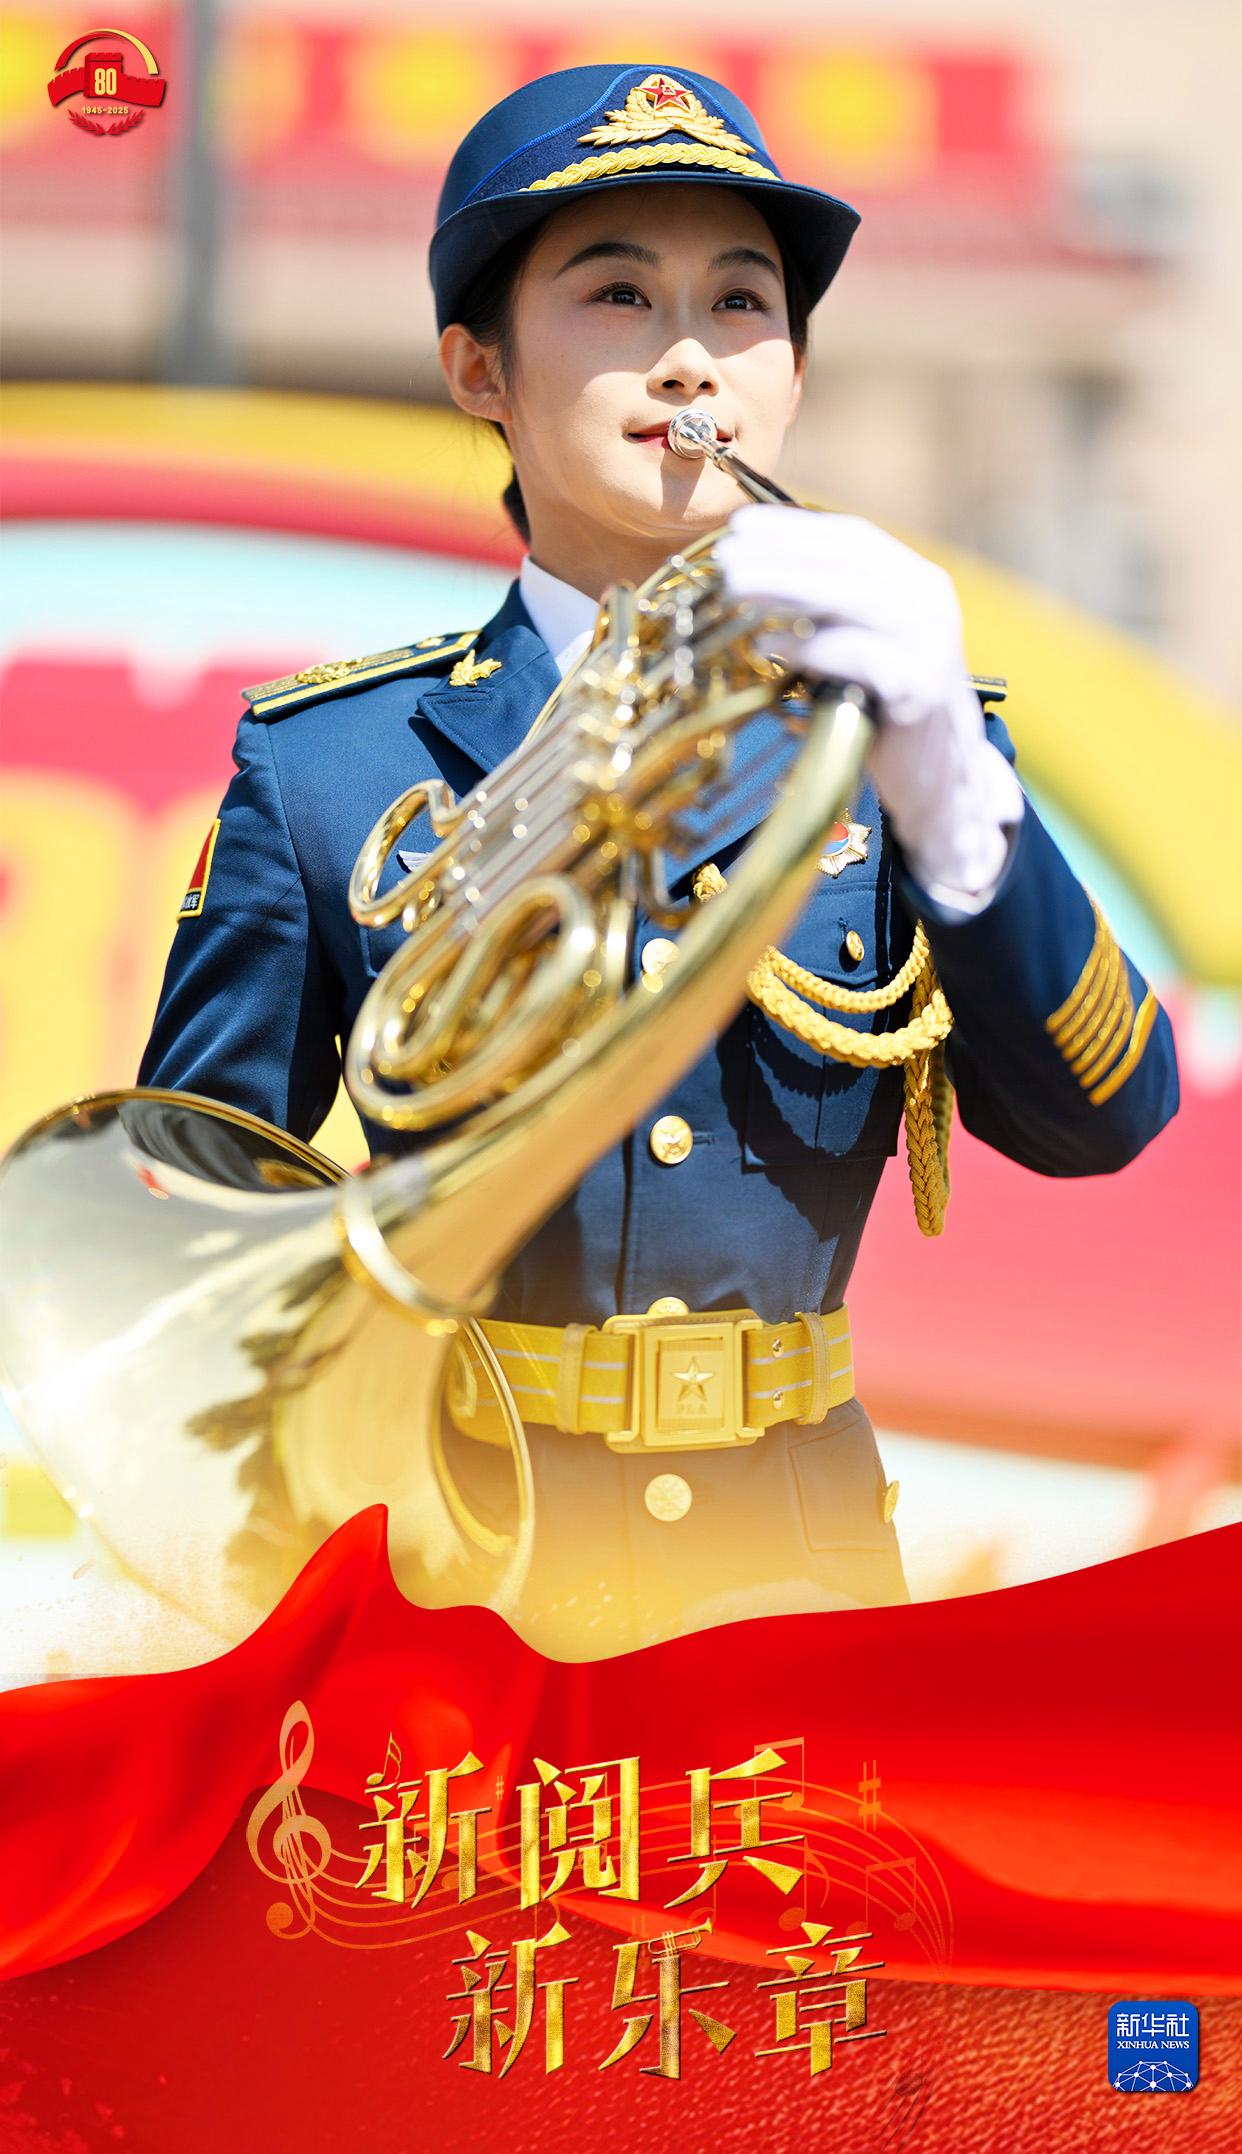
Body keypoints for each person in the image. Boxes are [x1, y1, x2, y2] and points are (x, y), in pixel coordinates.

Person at [138, 64, 1179, 1651]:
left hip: (797, 1578)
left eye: (739, 303)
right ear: (478, 368)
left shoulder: (903, 733)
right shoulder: (328, 764)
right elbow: (190, 1239)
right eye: (616, 293)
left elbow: (1100, 1117)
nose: (689, 356)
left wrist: (945, 777)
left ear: (792, 380)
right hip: (452, 1583)